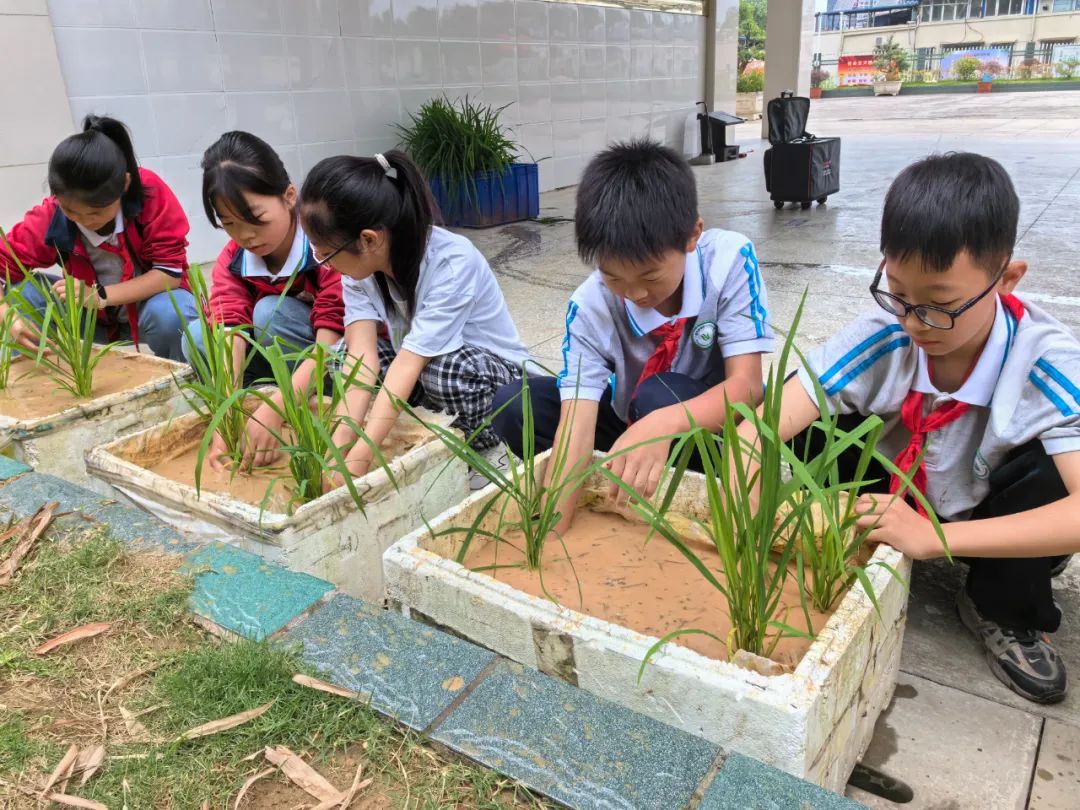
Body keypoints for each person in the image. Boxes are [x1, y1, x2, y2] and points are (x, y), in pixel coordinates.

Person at [752, 152, 1080, 704]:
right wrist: (753, 503)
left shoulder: (1045, 365)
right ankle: (853, 546)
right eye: (898, 293)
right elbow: (760, 425)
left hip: (983, 514)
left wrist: (935, 539)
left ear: (1007, 279)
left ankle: (1000, 605)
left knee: (1053, 469)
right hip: (891, 494)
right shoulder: (888, 333)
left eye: (939, 304)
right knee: (801, 407)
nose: (911, 322)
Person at [490, 139, 774, 531]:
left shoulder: (728, 261)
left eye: (650, 276)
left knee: (659, 396)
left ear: (692, 236)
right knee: (515, 403)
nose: (636, 294)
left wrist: (664, 423)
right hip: (628, 418)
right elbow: (577, 421)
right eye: (613, 277)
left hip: (704, 429)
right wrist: (553, 533)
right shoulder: (591, 304)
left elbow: (749, 385)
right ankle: (613, 480)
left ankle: (682, 496)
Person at [297, 150, 529, 488]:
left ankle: (491, 450)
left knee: (442, 369)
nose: (324, 264)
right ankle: (430, 431)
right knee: (340, 356)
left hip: (497, 385)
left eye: (326, 253)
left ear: (368, 239)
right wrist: (340, 447)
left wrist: (360, 460)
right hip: (427, 371)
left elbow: (412, 362)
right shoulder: (358, 271)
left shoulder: (450, 263)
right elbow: (361, 359)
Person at [190, 132, 345, 471]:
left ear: (289, 196)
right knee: (200, 335)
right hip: (278, 362)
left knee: (270, 312)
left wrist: (280, 407)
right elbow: (230, 327)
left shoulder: (327, 246)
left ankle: (305, 407)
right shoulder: (233, 259)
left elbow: (334, 332)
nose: (245, 235)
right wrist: (226, 419)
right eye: (228, 223)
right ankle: (259, 407)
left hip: (333, 361)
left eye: (255, 218)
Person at [0, 115, 195, 360]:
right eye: (70, 211)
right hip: (92, 320)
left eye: (96, 211)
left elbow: (169, 273)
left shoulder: (149, 193)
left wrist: (100, 296)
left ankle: (190, 386)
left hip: (147, 314)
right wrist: (7, 315)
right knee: (23, 293)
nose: (84, 220)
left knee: (172, 314)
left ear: (124, 184)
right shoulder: (51, 214)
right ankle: (28, 390)